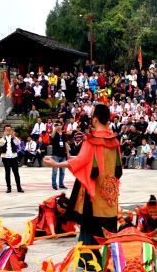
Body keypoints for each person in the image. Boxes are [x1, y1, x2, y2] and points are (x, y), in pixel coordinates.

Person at [43, 104, 122, 249]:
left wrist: (56, 164)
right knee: (109, 225)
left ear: (96, 119)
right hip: (110, 192)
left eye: (92, 116)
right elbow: (119, 167)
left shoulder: (92, 140)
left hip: (94, 193)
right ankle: (110, 257)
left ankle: (90, 260)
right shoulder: (114, 140)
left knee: (90, 223)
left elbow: (80, 161)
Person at [0, 125, 24, 193]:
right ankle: (8, 188)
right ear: (4, 131)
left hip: (13, 157)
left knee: (16, 173)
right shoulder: (2, 138)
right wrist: (3, 136)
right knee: (7, 173)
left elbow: (18, 143)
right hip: (5, 157)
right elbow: (1, 144)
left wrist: (14, 136)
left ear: (11, 130)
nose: (8, 131)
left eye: (9, 130)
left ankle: (19, 187)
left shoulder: (14, 138)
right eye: (7, 130)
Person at [50, 124, 68, 190]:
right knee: (55, 171)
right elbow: (52, 137)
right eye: (57, 125)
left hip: (63, 155)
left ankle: (61, 184)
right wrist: (55, 129)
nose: (59, 126)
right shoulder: (54, 133)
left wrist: (68, 153)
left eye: (60, 125)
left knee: (62, 171)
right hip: (55, 155)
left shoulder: (63, 134)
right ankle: (54, 185)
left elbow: (66, 143)